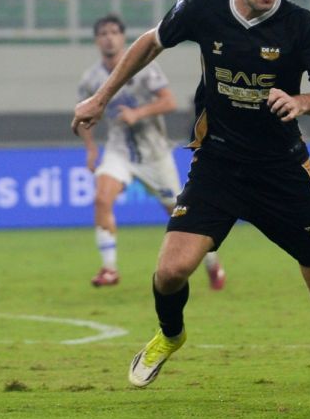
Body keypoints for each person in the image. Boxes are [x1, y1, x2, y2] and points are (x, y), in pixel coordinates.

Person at [71, 0, 310, 395]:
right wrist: (102, 98)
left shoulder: (299, 24)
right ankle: (171, 334)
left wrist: (303, 102)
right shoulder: (202, 10)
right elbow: (148, 42)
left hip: (282, 171)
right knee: (169, 272)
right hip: (219, 165)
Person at [76, 15, 226, 289]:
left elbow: (169, 101)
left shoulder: (144, 68)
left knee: (181, 215)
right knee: (101, 198)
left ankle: (212, 264)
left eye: (114, 32)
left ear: (122, 37)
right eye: (103, 33)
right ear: (97, 40)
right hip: (119, 150)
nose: (109, 37)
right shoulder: (91, 79)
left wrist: (138, 113)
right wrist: (90, 149)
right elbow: (84, 114)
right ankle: (109, 268)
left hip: (154, 154)